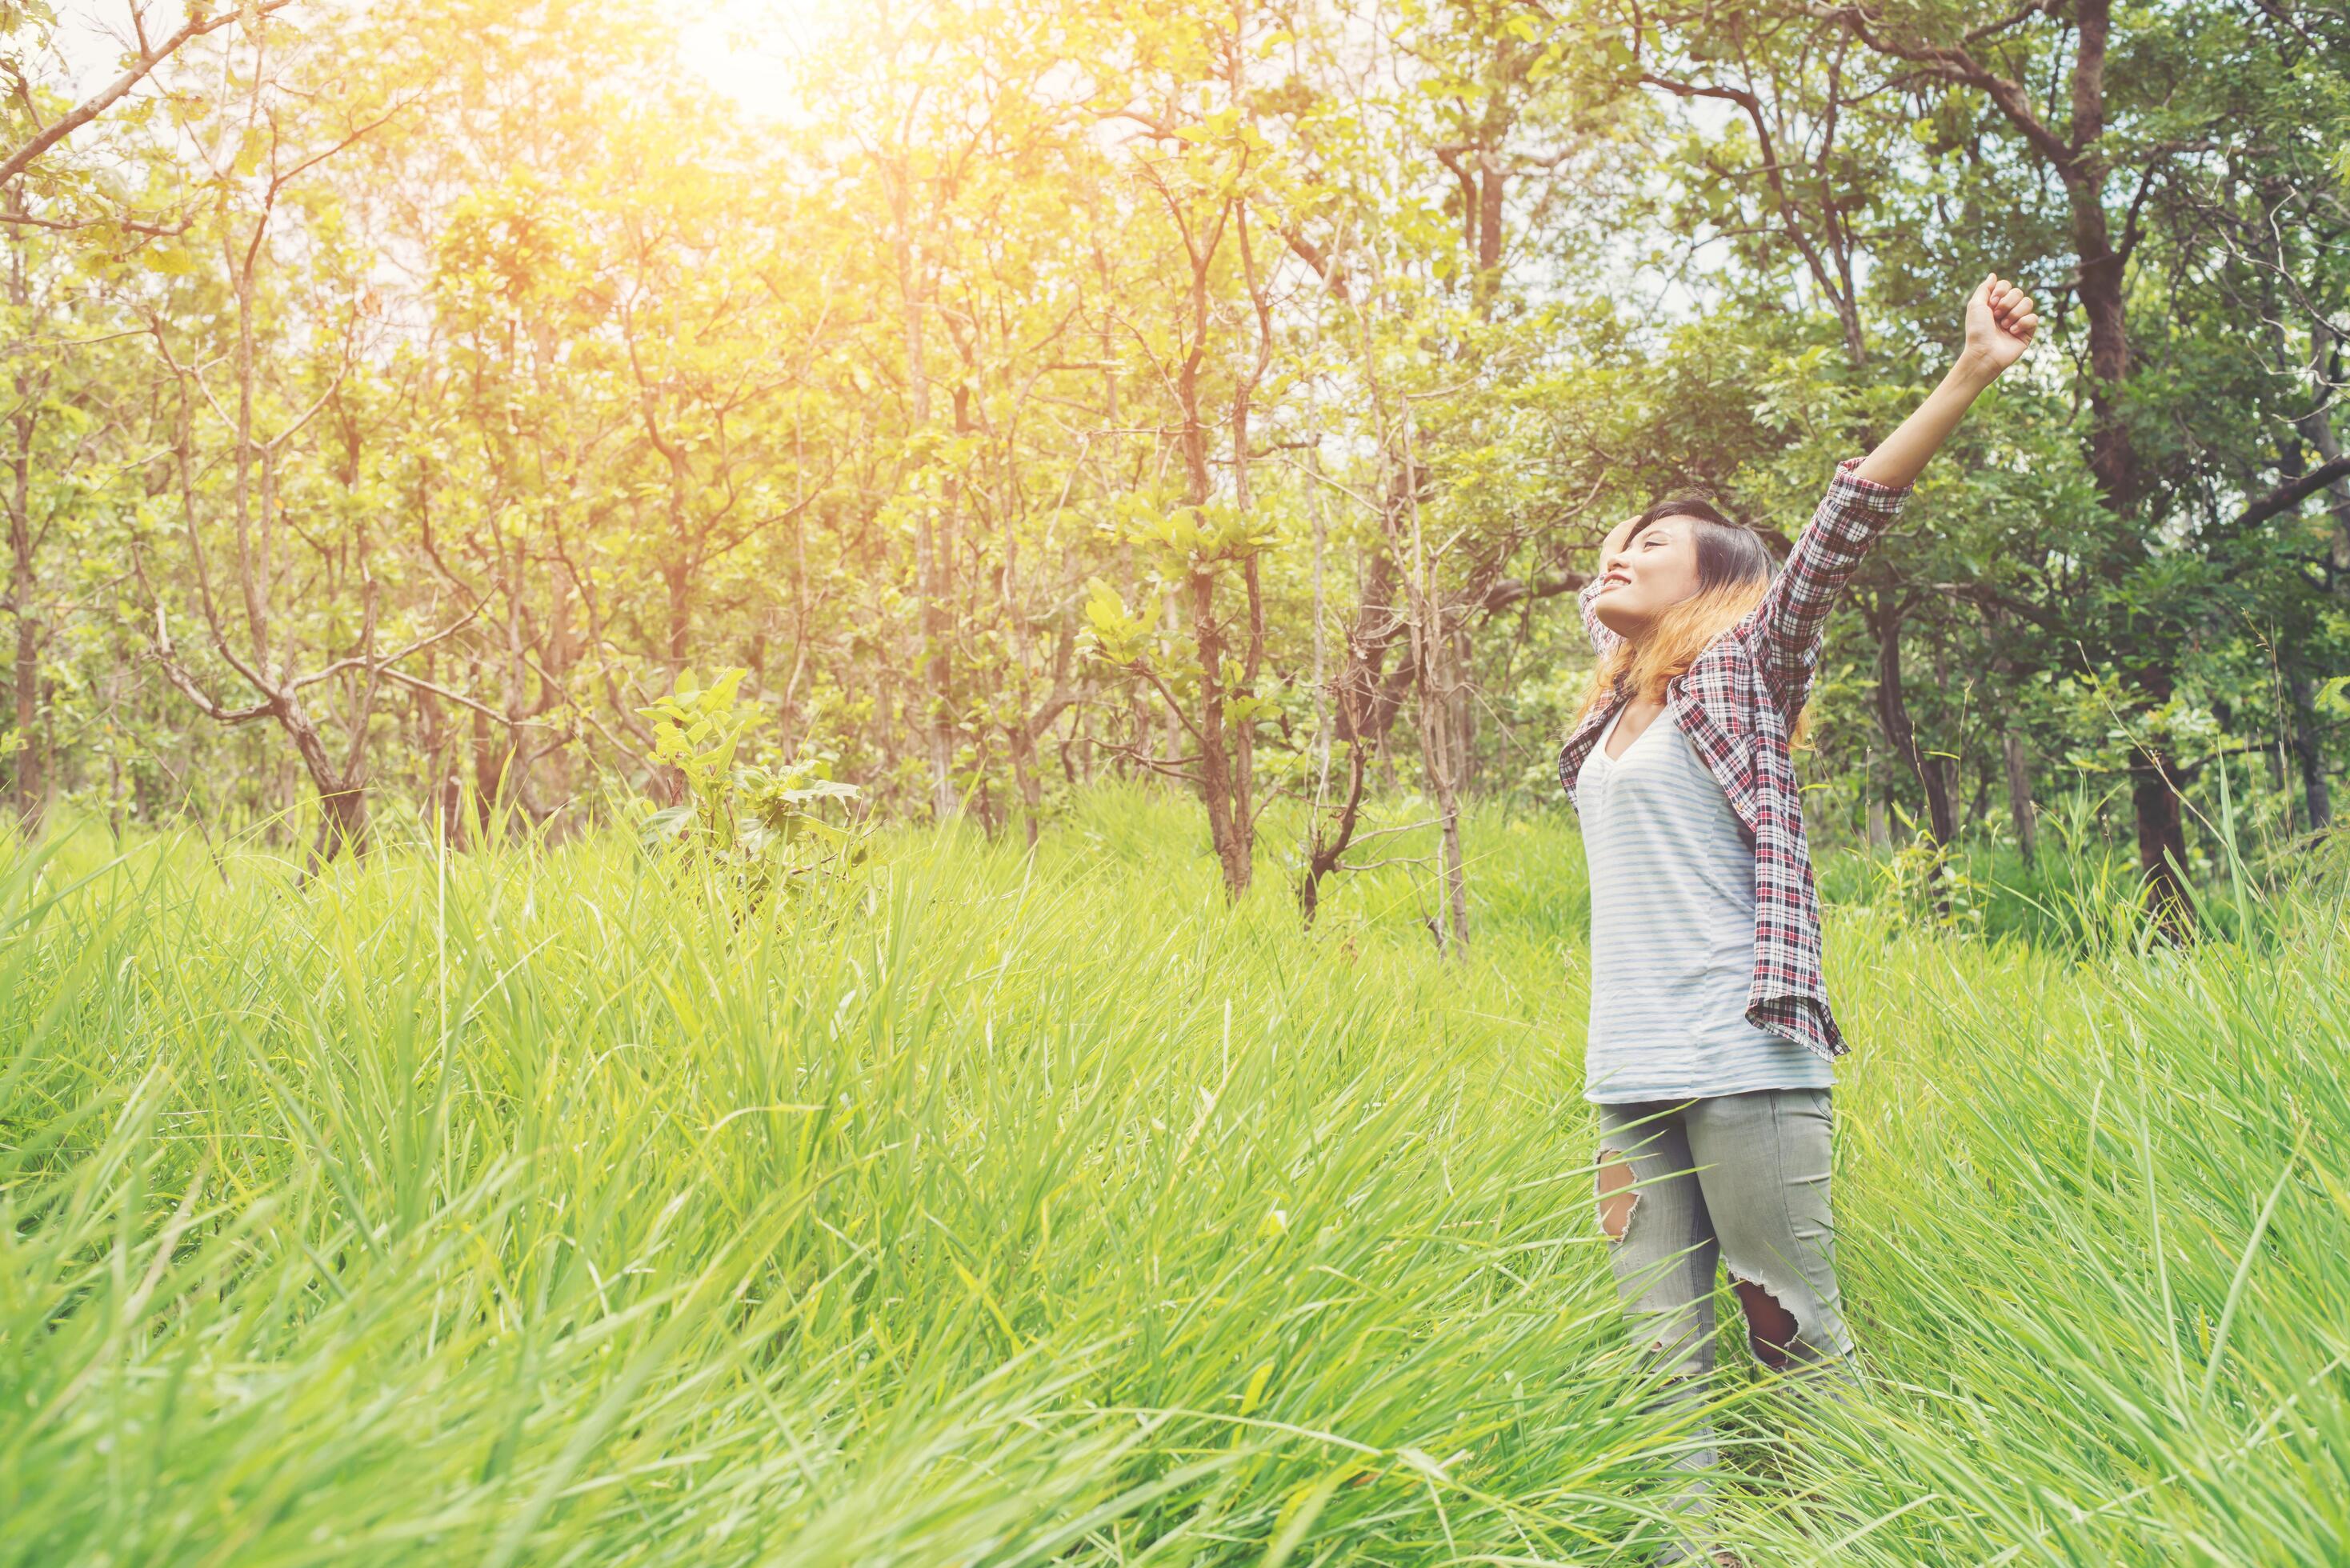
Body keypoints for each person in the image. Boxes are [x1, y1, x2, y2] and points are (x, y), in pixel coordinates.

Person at [1557, 274, 2040, 1566]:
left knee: (1795, 1339)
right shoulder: (1599, 729)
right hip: (1628, 1075)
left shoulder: (1741, 671)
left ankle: (1844, 1542)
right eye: (1612, 541)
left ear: (1719, 585)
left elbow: (1841, 525)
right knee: (1657, 1364)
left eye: (1648, 543)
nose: (1616, 553)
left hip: (1743, 1061)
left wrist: (1967, 371)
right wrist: (1619, 604)